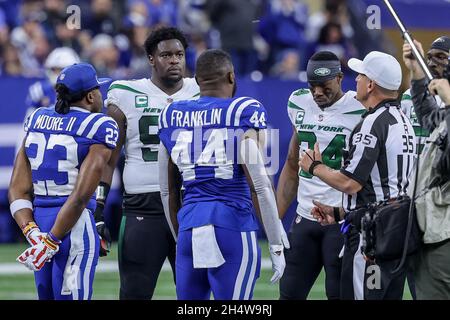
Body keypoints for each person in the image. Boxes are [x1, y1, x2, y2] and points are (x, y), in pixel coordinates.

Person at [158, 49, 288, 300]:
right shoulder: (243, 110)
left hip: (189, 226)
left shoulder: (172, 114)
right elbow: (259, 185)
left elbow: (167, 190)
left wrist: (180, 236)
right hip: (232, 226)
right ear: (231, 76)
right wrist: (275, 242)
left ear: (197, 81)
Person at [300, 51, 417, 300]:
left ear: (372, 84)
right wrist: (341, 213)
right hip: (397, 232)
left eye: (361, 75)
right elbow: (386, 189)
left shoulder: (373, 122)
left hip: (371, 237)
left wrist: (315, 167)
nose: (356, 81)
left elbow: (350, 183)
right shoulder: (403, 120)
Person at [98, 26, 200, 300]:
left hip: (190, 204)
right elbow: (107, 160)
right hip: (143, 207)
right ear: (151, 59)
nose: (174, 60)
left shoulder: (201, 90)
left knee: (195, 296)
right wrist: (98, 208)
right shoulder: (124, 93)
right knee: (134, 292)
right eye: (166, 55)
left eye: (179, 54)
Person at [9, 63, 118, 300]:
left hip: (40, 221)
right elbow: (79, 197)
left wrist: (33, 233)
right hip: (72, 226)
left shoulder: (37, 118)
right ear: (90, 96)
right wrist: (51, 241)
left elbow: (17, 188)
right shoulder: (99, 125)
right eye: (98, 90)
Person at [277, 51, 364, 300]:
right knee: (289, 294)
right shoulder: (298, 102)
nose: (317, 93)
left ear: (339, 78)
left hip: (341, 219)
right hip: (305, 216)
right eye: (312, 86)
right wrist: (274, 223)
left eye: (324, 86)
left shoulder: (360, 108)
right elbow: (292, 165)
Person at [400, 35, 449, 300]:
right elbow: (430, 116)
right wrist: (417, 74)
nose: (433, 62)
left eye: (441, 57)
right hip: (432, 222)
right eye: (430, 56)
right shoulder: (437, 109)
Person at [15, 47, 80, 154]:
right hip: (45, 140)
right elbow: (26, 127)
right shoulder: (40, 90)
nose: (58, 74)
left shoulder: (79, 92)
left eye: (63, 69)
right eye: (55, 69)